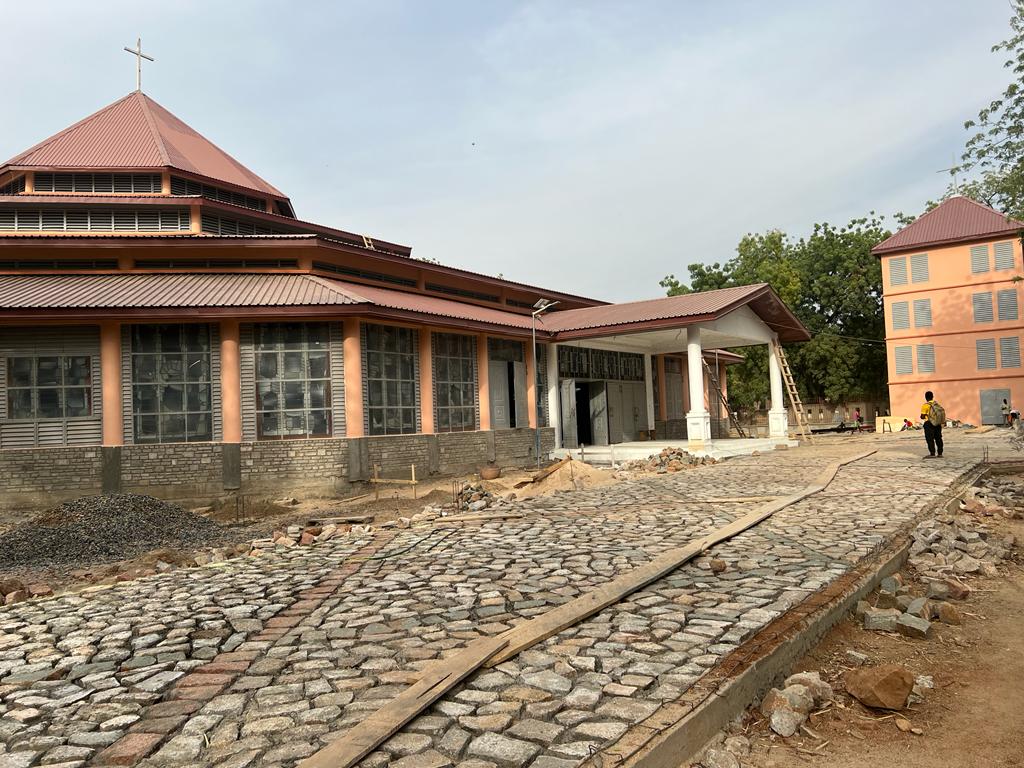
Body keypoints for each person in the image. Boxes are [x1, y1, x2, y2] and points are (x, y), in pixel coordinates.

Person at [921, 390, 944, 458]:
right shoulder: (937, 404)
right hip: (937, 423)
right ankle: (940, 453)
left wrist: (923, 416)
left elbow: (922, 416)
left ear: (925, 397)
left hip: (929, 423)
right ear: (932, 397)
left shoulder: (925, 405)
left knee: (930, 439)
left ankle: (932, 453)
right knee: (938, 438)